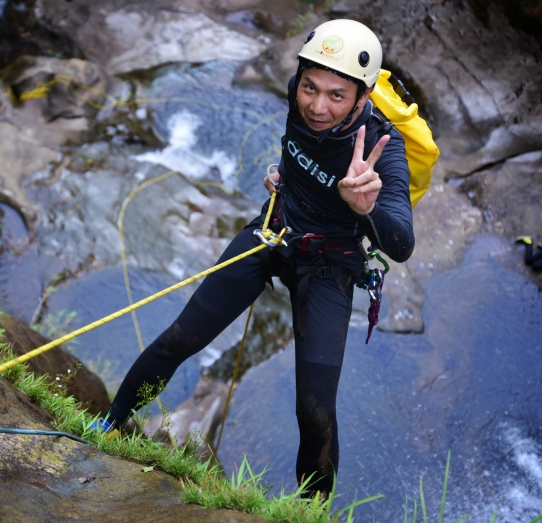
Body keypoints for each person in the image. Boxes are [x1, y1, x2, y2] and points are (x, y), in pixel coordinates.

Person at [95, 19, 415, 496]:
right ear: (299, 79)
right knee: (178, 340)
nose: (316, 106)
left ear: (362, 99)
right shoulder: (296, 97)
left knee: (315, 411)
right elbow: (301, 152)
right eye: (310, 87)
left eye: (336, 96)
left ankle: (308, 517)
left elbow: (402, 244)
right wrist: (283, 176)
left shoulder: (384, 152)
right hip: (273, 230)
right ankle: (108, 426)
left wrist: (365, 208)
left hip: (328, 266)